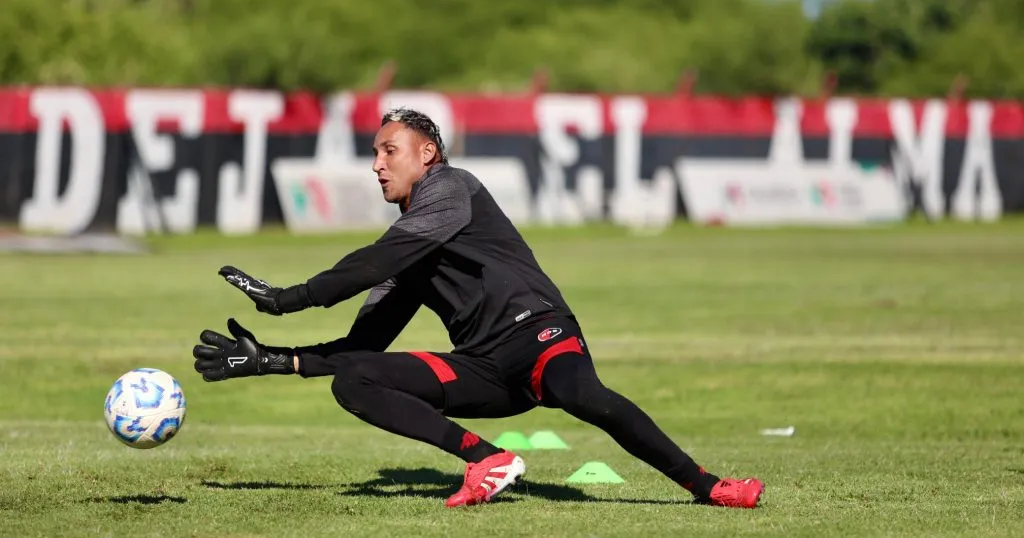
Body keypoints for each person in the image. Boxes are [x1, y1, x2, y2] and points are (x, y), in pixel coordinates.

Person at [192, 107, 764, 509]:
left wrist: (287, 299)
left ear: (428, 153)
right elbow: (361, 348)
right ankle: (487, 460)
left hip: (540, 334)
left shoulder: (451, 189)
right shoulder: (410, 244)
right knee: (354, 381)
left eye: (388, 151)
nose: (377, 165)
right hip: (486, 369)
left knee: (583, 396)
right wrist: (272, 360)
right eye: (375, 154)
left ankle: (709, 485)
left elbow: (371, 260)